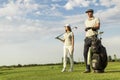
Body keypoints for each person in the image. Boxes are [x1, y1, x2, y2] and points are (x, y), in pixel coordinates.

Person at [83, 9, 100, 73]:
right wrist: (87, 29)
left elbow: (98, 27)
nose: (88, 13)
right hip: (87, 38)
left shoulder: (96, 19)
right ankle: (87, 68)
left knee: (94, 53)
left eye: (89, 12)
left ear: (92, 12)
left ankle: (95, 67)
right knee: (85, 53)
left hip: (94, 38)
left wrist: (91, 27)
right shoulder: (86, 20)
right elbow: (87, 28)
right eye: (87, 13)